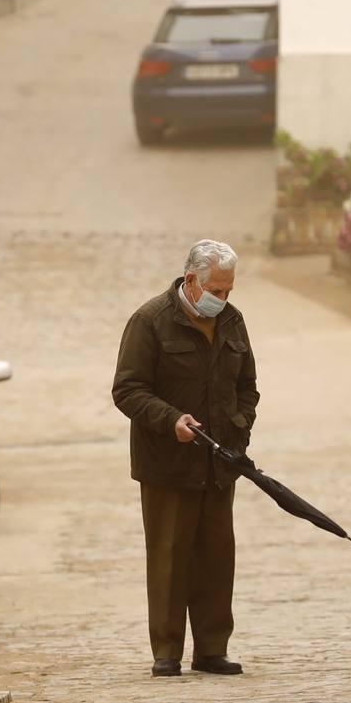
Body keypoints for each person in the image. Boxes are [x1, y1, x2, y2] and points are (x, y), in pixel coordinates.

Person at [113, 240, 259, 678]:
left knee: (217, 558)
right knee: (170, 556)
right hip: (167, 466)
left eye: (230, 289)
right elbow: (128, 390)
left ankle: (212, 649)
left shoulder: (232, 321)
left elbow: (247, 386)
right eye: (217, 288)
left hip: (220, 463)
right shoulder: (149, 321)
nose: (224, 298)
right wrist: (171, 420)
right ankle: (167, 651)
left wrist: (239, 426)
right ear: (192, 281)